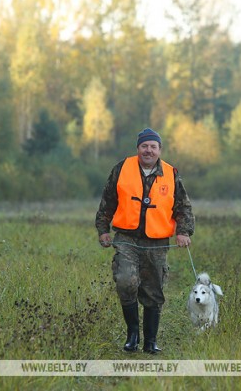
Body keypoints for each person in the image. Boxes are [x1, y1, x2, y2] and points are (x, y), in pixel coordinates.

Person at [95, 128, 195, 354]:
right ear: (138, 148)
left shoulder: (171, 173)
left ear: (159, 150)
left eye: (153, 146)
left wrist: (184, 232)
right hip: (126, 239)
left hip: (158, 242)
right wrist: (103, 229)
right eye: (144, 146)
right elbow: (107, 201)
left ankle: (150, 341)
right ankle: (132, 336)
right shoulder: (121, 169)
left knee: (154, 291)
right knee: (125, 281)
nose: (148, 150)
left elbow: (183, 207)